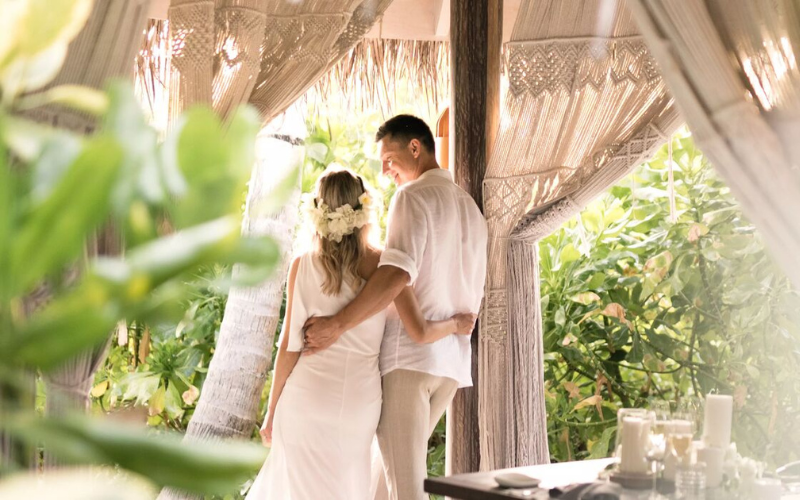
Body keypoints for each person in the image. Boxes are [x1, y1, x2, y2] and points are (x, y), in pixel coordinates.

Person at [246, 168, 475, 500]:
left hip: (303, 403)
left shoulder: (302, 265)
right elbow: (421, 331)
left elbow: (289, 346)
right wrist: (456, 324)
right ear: (364, 209)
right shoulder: (385, 266)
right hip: (357, 408)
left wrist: (271, 411)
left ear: (318, 211)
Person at [303, 115, 488, 500]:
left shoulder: (413, 196)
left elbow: (395, 275)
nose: (384, 170)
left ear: (415, 148)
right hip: (449, 368)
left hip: (409, 363)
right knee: (383, 485)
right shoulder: (470, 207)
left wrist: (337, 324)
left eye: (388, 158)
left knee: (405, 492)